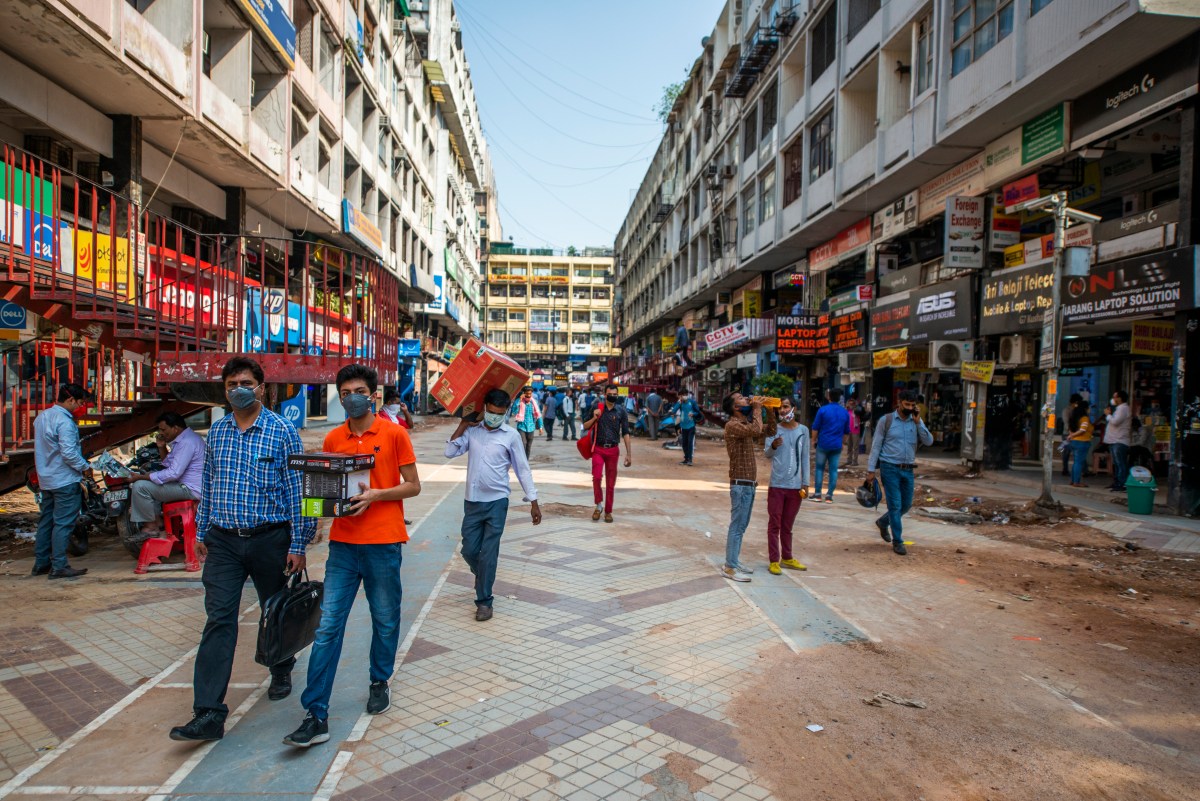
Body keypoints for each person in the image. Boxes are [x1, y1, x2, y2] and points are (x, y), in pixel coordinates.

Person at [170, 357, 315, 743]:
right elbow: (211, 483)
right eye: (232, 383)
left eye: (246, 382)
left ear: (262, 388)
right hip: (224, 541)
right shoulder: (217, 433)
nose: (239, 388)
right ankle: (208, 713)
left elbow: (301, 491)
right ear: (225, 389)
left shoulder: (283, 431)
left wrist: (299, 543)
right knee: (219, 619)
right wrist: (201, 531)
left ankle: (281, 666)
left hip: (272, 540)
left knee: (275, 610)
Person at [283, 365, 422, 749]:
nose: (352, 397)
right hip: (343, 545)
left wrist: (376, 495)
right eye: (345, 392)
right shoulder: (333, 437)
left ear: (373, 395)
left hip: (383, 543)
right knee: (328, 627)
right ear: (339, 397)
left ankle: (379, 680)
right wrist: (307, 533)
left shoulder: (394, 434)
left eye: (359, 390)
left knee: (385, 618)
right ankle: (315, 713)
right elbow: (326, 491)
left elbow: (413, 486)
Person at [445, 389, 542, 622]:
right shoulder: (472, 432)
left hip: (497, 503)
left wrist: (534, 501)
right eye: (491, 412)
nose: (495, 417)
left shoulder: (510, 436)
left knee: (488, 554)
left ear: (506, 412)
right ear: (485, 407)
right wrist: (463, 423)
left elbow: (522, 469)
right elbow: (449, 451)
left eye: (500, 414)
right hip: (473, 502)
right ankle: (483, 575)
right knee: (468, 549)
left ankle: (484, 601)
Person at [32, 383, 93, 579]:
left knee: (46, 522)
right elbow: (68, 453)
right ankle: (59, 565)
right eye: (79, 403)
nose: (79, 407)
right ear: (70, 400)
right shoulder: (65, 422)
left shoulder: (42, 417)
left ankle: (41, 564)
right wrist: (85, 467)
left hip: (46, 478)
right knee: (63, 523)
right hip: (64, 479)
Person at [867, 390, 933, 557]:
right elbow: (875, 446)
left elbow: (929, 441)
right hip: (889, 468)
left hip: (908, 469)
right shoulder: (886, 421)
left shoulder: (916, 421)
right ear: (899, 402)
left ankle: (883, 522)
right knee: (895, 506)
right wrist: (870, 470)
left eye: (913, 405)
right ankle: (898, 541)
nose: (910, 408)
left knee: (906, 505)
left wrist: (919, 423)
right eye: (907, 405)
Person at [721, 392, 776, 582]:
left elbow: (770, 431)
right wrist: (758, 408)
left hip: (749, 484)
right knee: (737, 526)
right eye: (741, 399)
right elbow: (756, 429)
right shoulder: (732, 425)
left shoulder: (744, 424)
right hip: (740, 484)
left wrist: (769, 409)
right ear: (735, 407)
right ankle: (729, 567)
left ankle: (734, 561)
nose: (746, 399)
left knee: (741, 526)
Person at [127, 412, 206, 537]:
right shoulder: (183, 440)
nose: (161, 433)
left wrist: (142, 477)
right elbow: (168, 465)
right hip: (185, 485)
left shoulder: (187, 442)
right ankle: (159, 522)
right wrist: (161, 447)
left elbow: (173, 473)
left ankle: (151, 527)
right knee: (151, 480)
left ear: (175, 428)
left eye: (164, 429)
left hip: (191, 489)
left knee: (140, 486)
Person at [764, 396, 810, 575]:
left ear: (794, 408)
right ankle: (774, 560)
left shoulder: (803, 430)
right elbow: (767, 454)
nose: (783, 411)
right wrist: (773, 445)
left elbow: (805, 457)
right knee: (774, 524)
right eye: (780, 409)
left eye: (786, 407)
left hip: (796, 487)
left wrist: (805, 483)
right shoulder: (773, 430)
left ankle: (788, 557)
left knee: (788, 525)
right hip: (777, 485)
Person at [583, 388, 632, 523]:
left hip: (613, 450)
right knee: (597, 477)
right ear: (605, 395)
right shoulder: (597, 407)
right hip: (598, 449)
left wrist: (629, 454)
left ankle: (608, 511)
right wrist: (594, 417)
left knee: (611, 483)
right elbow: (585, 426)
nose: (613, 396)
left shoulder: (621, 411)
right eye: (610, 394)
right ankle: (599, 506)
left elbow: (626, 433)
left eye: (615, 394)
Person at [811, 388, 850, 503]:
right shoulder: (844, 412)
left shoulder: (823, 410)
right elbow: (847, 431)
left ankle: (818, 494)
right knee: (833, 470)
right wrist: (843, 442)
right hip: (837, 445)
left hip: (823, 443)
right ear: (839, 398)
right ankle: (829, 496)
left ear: (829, 397)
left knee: (819, 468)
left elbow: (815, 427)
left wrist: (813, 440)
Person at [1104, 390, 1132, 492]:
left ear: (1120, 398)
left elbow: (1115, 421)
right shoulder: (1119, 409)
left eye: (1115, 397)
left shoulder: (1123, 409)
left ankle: (1122, 483)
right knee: (1116, 463)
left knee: (1120, 463)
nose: (1113, 399)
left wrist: (1108, 415)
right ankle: (1117, 482)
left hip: (1119, 440)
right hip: (1114, 440)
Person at [1065, 397, 1093, 488]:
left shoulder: (1074, 417)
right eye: (1088, 408)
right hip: (1082, 442)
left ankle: (1073, 481)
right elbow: (1083, 430)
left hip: (1074, 442)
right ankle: (1076, 482)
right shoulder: (1084, 418)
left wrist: (1071, 435)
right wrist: (1072, 435)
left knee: (1076, 462)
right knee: (1079, 462)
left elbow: (1070, 428)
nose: (1089, 409)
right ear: (1085, 408)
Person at [509, 386, 542, 457]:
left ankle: (526, 461)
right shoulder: (518, 401)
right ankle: (521, 460)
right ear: (523, 393)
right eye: (527, 393)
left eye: (530, 393)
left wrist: (540, 427)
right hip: (521, 426)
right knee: (523, 444)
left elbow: (538, 414)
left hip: (531, 427)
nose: (529, 395)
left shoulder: (534, 402)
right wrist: (520, 400)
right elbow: (514, 411)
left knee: (528, 446)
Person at [675, 389, 702, 466]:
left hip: (691, 425)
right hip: (683, 426)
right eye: (679, 396)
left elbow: (698, 412)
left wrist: (693, 414)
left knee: (690, 443)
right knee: (684, 443)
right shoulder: (680, 403)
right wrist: (678, 403)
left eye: (681, 396)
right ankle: (686, 459)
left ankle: (690, 459)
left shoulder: (692, 402)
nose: (681, 397)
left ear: (685, 394)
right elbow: (674, 411)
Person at [1061, 393, 1083, 477]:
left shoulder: (1077, 411)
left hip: (1076, 434)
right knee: (1066, 452)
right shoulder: (1067, 410)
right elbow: (1066, 423)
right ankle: (1065, 469)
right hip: (1067, 434)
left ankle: (1083, 470)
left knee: (1077, 452)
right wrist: (1070, 432)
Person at [846, 394, 865, 467]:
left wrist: (856, 406)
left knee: (855, 447)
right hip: (848, 431)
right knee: (849, 447)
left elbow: (862, 412)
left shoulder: (857, 410)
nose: (851, 405)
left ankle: (855, 461)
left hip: (855, 431)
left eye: (852, 403)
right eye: (849, 403)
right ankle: (849, 460)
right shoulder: (847, 411)